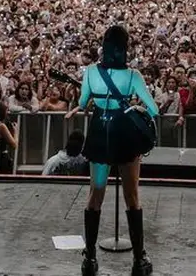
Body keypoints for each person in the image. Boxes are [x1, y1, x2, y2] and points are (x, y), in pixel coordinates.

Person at [66, 25, 160, 276]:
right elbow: (153, 109)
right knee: (132, 197)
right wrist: (135, 109)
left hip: (99, 134)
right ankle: (139, 259)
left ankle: (90, 258)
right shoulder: (133, 76)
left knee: (95, 194)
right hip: (125, 135)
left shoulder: (90, 72)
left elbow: (83, 102)